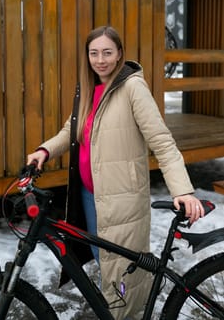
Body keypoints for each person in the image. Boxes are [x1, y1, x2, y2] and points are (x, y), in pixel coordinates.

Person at [27, 26, 204, 320]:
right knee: (104, 260)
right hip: (89, 195)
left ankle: (127, 315)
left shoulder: (133, 88)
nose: (101, 60)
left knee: (124, 272)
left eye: (107, 53)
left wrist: (182, 190)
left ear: (119, 54)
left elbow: (162, 141)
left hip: (122, 200)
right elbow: (69, 131)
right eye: (94, 53)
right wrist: (44, 150)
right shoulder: (87, 89)